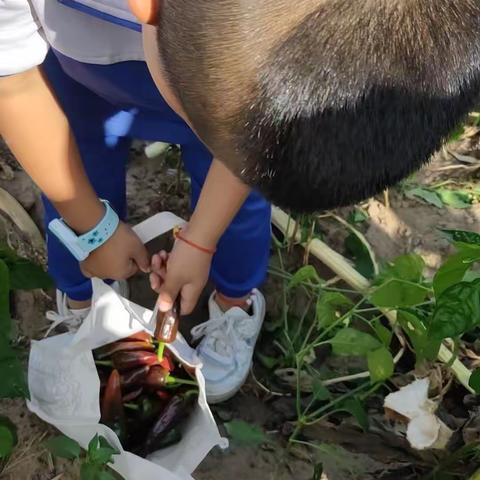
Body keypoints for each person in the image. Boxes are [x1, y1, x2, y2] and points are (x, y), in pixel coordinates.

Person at [0, 0, 479, 403]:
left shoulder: (256, 51)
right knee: (76, 162)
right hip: (71, 63)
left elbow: (253, 146)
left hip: (199, 60)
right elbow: (14, 84)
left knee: (233, 201)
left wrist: (202, 239)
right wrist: (92, 227)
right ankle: (86, 299)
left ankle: (232, 299)